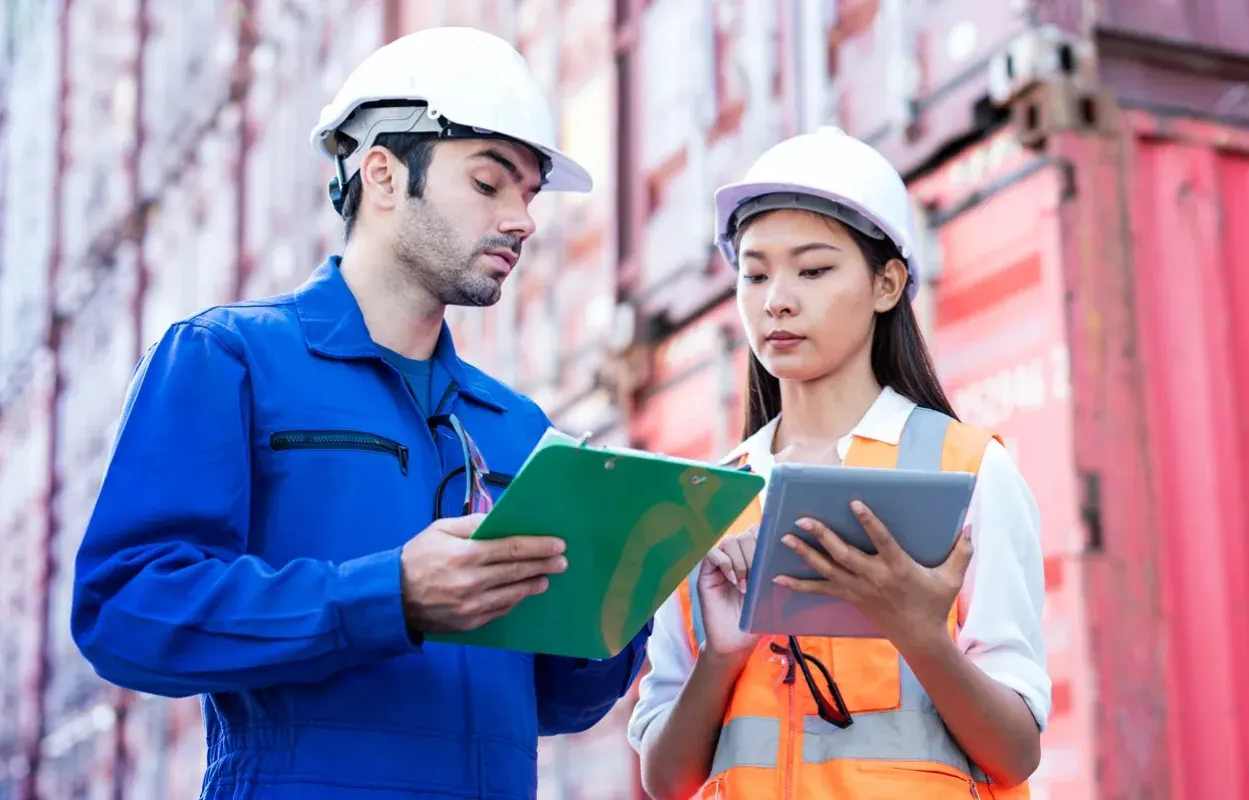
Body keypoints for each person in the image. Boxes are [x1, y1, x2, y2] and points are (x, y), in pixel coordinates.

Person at [71, 26, 651, 799]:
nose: (523, 220)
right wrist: (389, 597)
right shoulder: (229, 359)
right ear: (382, 174)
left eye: (530, 194)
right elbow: (126, 612)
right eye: (490, 183)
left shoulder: (515, 427)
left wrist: (624, 600)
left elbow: (557, 701)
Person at [626, 127, 1049, 799]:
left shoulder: (966, 471)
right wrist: (723, 655)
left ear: (887, 284)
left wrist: (919, 633)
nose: (777, 300)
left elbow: (1016, 751)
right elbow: (667, 778)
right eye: (755, 273)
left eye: (813, 269)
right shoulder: (701, 500)